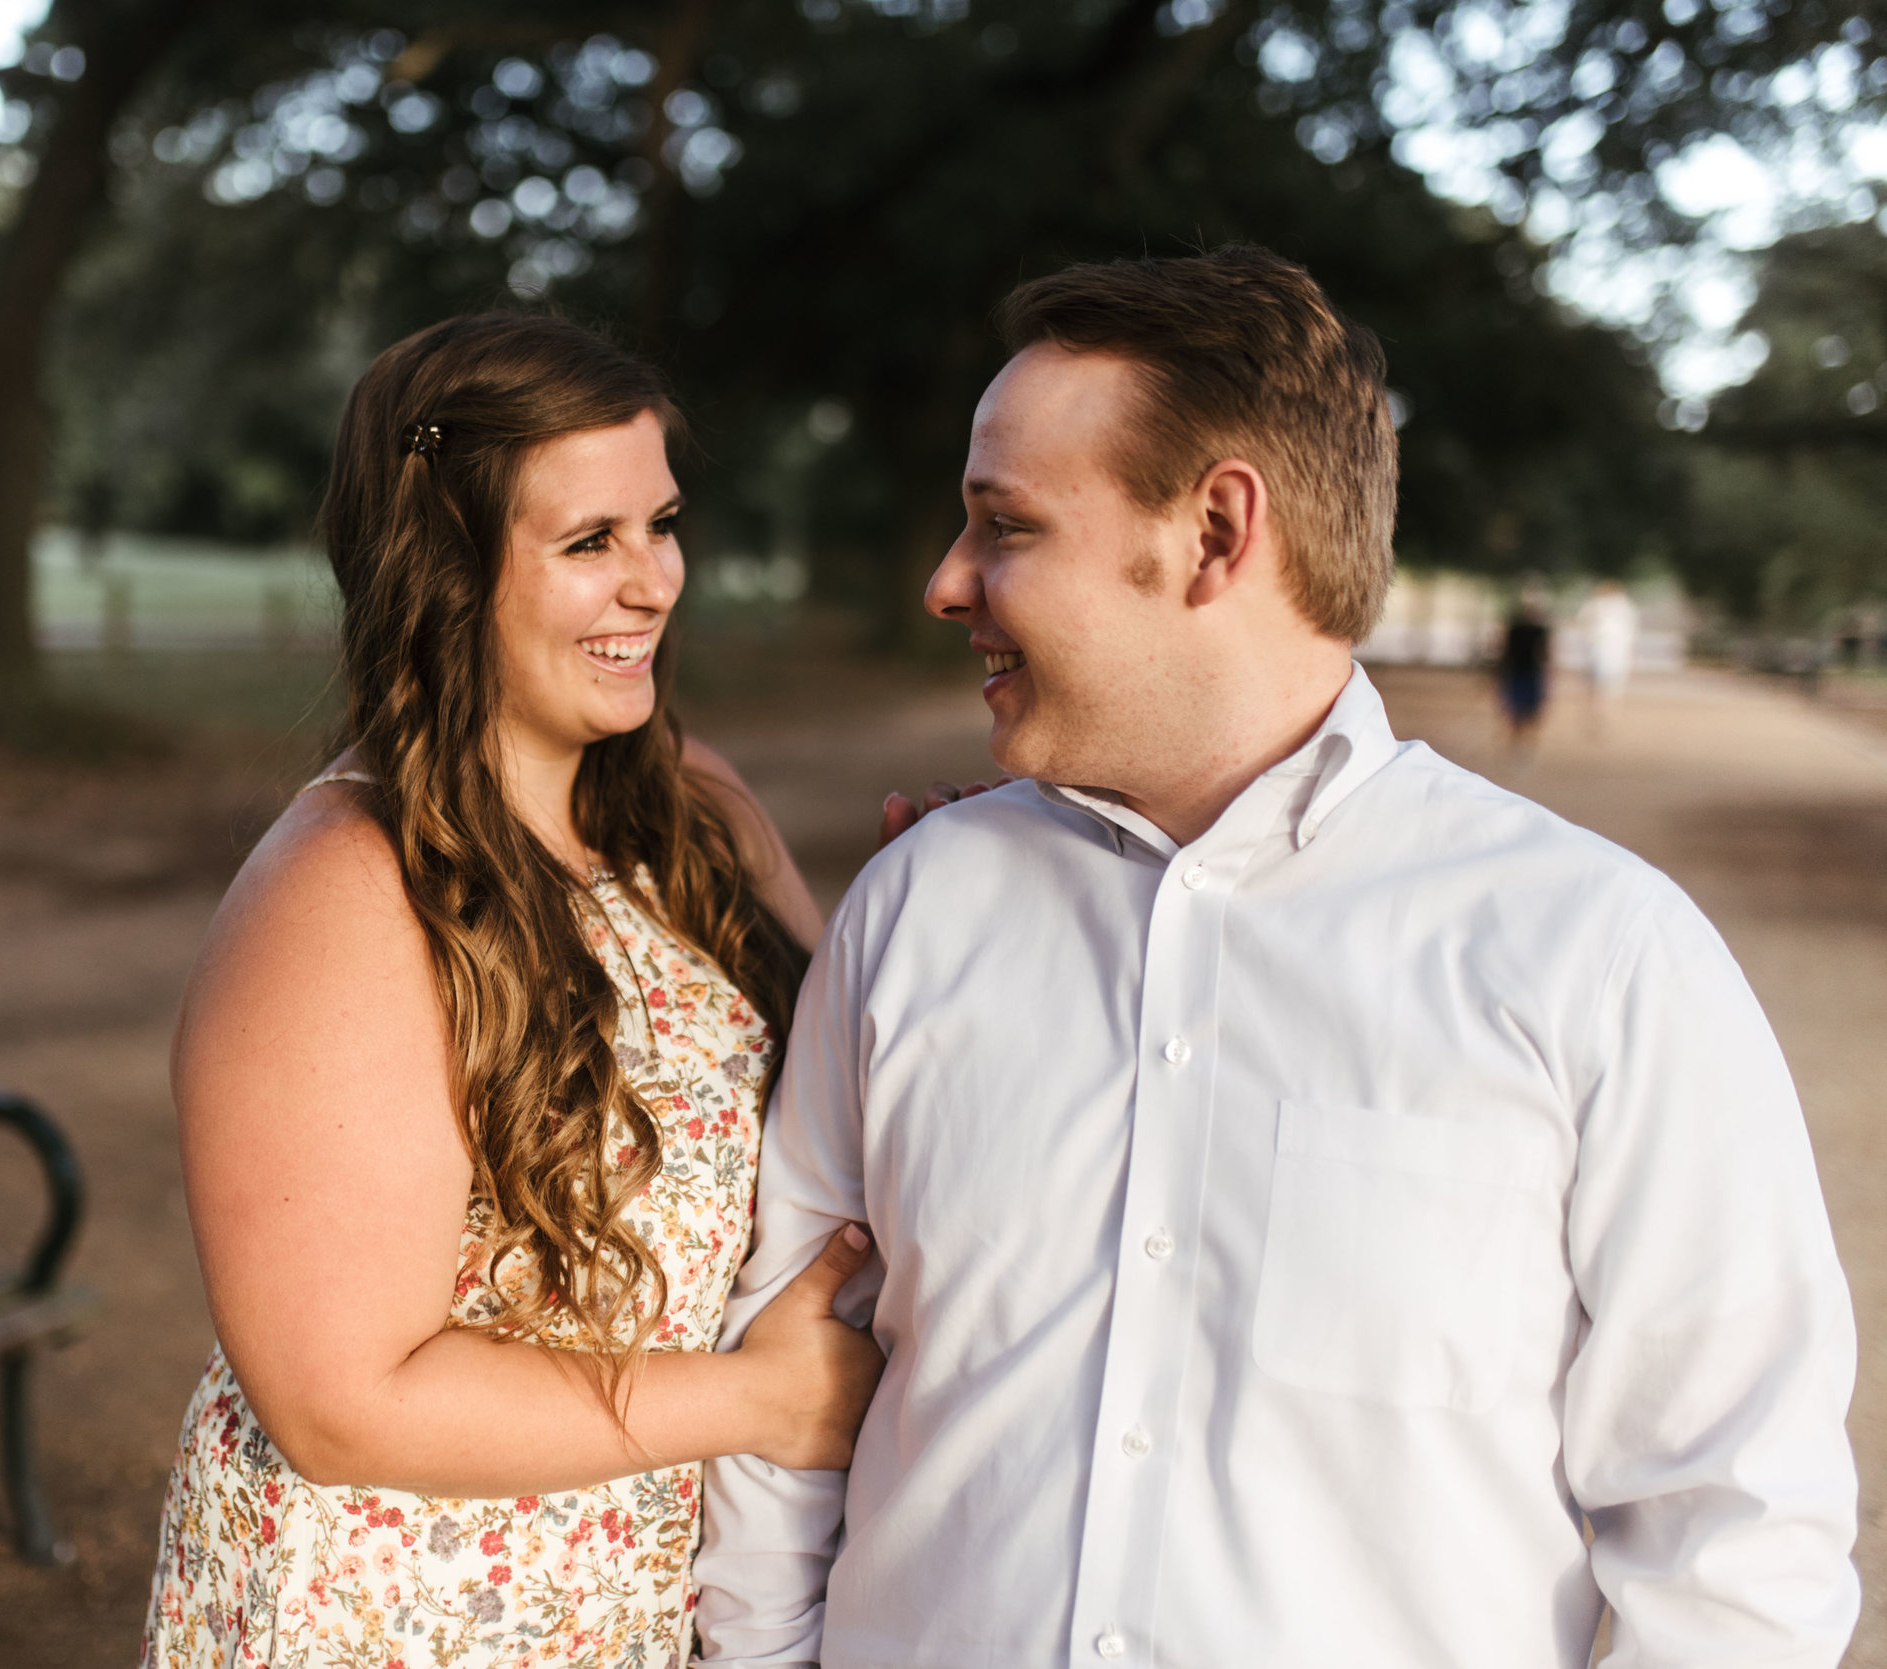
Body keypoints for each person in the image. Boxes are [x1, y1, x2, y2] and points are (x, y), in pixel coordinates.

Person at [694, 247, 1858, 1668]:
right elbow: (782, 1398)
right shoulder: (911, 910)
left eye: (1005, 526)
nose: (947, 584)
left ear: (1217, 531)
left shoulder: (1599, 957)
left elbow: (1736, 1529)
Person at [141, 314, 884, 1668]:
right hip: (394, 1617)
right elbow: (341, 1403)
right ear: (443, 569)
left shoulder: (695, 809)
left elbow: (857, 1102)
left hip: (649, 1602)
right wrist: (755, 1404)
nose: (654, 580)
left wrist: (969, 899)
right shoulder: (341, 895)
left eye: (661, 524)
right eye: (589, 541)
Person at [1577, 578, 1641, 729]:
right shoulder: (1624, 606)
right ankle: (1609, 715)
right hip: (1613, 651)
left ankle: (1600, 713)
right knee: (1613, 687)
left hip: (1603, 651)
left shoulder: (1598, 605)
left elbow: (1583, 622)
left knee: (1598, 686)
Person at [1499, 585, 1554, 757]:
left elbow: (1546, 654)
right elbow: (1506, 652)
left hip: (1532, 674)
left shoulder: (1540, 630)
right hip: (1518, 673)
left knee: (1532, 714)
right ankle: (1516, 745)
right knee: (1515, 713)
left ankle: (1526, 746)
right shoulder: (1515, 629)